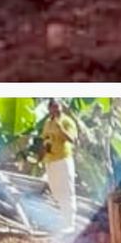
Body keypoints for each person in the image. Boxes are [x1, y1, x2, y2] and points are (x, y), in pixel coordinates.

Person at [38, 99, 79, 231]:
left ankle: (70, 224)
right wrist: (42, 155)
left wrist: (61, 129)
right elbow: (46, 139)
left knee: (67, 191)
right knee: (56, 192)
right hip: (50, 160)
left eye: (57, 107)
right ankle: (62, 222)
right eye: (52, 108)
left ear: (61, 107)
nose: (55, 110)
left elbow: (72, 139)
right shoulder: (47, 123)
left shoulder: (67, 121)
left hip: (63, 159)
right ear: (49, 109)